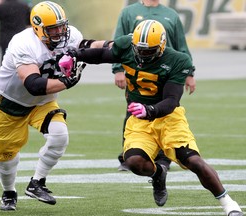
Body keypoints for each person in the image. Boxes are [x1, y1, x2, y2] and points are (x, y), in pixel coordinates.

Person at [58, 20, 244, 216]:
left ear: (161, 46)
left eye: (149, 50)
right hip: (139, 120)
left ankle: (229, 204)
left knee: (194, 162)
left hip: (169, 118)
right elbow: (104, 55)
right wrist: (75, 55)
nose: (142, 54)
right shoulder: (127, 45)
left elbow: (172, 100)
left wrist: (150, 110)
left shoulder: (178, 60)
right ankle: (158, 173)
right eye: (139, 49)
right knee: (134, 162)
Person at [0, 1, 92, 211]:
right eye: (53, 28)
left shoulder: (70, 35)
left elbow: (93, 48)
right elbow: (33, 85)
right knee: (7, 157)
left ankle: (37, 183)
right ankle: (9, 192)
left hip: (42, 102)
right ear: (38, 28)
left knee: (60, 135)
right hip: (8, 102)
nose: (60, 32)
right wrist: (66, 82)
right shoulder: (23, 43)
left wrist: (117, 49)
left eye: (62, 26)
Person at [112, 0, 196, 172]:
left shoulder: (171, 14)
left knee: (167, 109)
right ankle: (127, 154)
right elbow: (118, 43)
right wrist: (118, 69)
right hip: (139, 72)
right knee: (134, 111)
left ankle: (164, 158)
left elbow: (180, 44)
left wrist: (189, 73)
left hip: (167, 71)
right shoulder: (129, 12)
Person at [0, 0, 31, 64]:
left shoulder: (0, 7)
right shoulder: (24, 6)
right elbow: (29, 23)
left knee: (5, 63)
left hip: (6, 40)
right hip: (21, 39)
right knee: (23, 62)